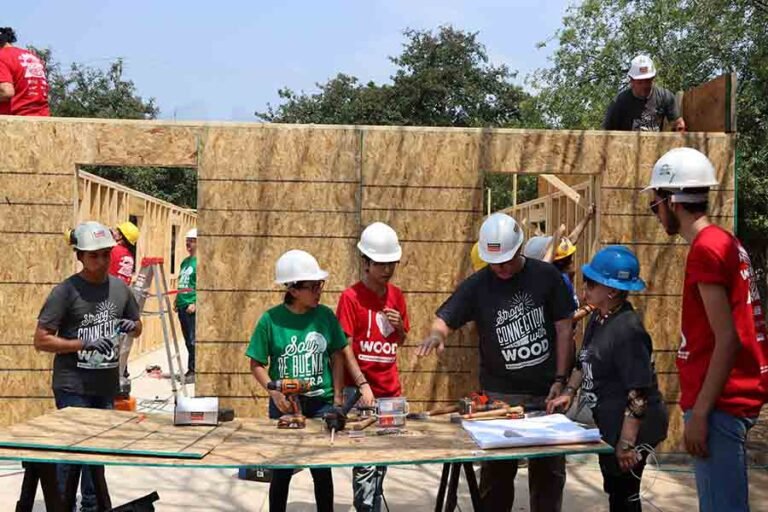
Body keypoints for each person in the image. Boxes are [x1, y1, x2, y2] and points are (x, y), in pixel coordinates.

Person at [418, 212, 575, 512]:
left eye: (506, 260)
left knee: (548, 478)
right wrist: (437, 335)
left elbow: (564, 328)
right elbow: (445, 317)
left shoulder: (546, 277)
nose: (501, 268)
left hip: (545, 395)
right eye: (494, 262)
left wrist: (560, 379)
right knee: (495, 481)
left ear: (519, 249)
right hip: (498, 399)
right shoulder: (478, 285)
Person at [645, 147, 768, 512]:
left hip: (719, 405)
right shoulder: (726, 242)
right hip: (728, 399)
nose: (656, 215)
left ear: (672, 202)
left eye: (655, 206)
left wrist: (700, 413)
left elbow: (727, 339)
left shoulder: (706, 250)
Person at [246, 249, 374, 512]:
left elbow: (337, 354)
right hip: (285, 406)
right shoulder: (270, 320)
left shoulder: (325, 316)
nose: (319, 291)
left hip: (320, 405)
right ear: (293, 289)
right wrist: (274, 392)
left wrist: (337, 398)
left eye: (320, 285)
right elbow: (256, 364)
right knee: (282, 470)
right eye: (313, 287)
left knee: (321, 470)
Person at [548, 246, 668, 511]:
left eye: (591, 283)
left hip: (635, 427)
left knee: (625, 494)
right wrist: (569, 391)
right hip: (610, 422)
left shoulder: (628, 331)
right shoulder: (599, 317)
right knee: (615, 489)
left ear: (612, 291)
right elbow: (583, 360)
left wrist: (627, 443)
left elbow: (638, 394)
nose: (585, 288)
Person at [34, 221, 142, 512]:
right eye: (94, 255)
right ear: (80, 255)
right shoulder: (66, 292)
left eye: (106, 254)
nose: (102, 260)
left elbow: (137, 326)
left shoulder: (120, 289)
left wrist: (132, 326)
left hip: (104, 386)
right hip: (72, 385)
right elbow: (41, 340)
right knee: (72, 452)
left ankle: (92, 506)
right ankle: (62, 505)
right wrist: (82, 344)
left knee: (97, 453)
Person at [336, 222, 410, 512]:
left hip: (390, 391)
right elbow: (344, 347)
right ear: (365, 262)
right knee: (365, 462)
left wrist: (399, 327)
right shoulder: (350, 298)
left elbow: (401, 340)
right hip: (360, 393)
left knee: (382, 460)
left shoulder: (397, 296)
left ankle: (372, 505)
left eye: (392, 263)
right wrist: (360, 385)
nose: (387, 269)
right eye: (381, 263)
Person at [603, 55, 685, 132]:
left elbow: (678, 123)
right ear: (631, 81)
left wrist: (679, 127)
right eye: (640, 82)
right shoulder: (619, 102)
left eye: (647, 80)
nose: (644, 85)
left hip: (656, 141)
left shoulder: (665, 97)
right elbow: (608, 133)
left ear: (653, 78)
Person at [0, 27, 50, 116]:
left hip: (16, 119)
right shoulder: (31, 56)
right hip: (42, 117)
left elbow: (6, 92)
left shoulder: (2, 56)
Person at [176, 228, 197, 383]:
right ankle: (191, 369)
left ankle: (194, 370)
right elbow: (182, 283)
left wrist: (196, 303)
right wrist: (176, 300)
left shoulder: (200, 263)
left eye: (191, 241)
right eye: (187, 241)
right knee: (187, 340)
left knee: (193, 340)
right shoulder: (185, 262)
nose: (188, 244)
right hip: (182, 305)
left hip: (191, 306)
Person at [109, 222, 139, 286]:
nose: (115, 234)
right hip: (123, 289)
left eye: (118, 232)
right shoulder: (129, 255)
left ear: (121, 236)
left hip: (110, 288)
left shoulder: (114, 250)